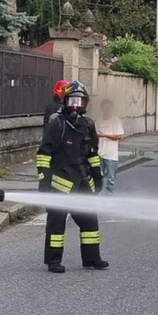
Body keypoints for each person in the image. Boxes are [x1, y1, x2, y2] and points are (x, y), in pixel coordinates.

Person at [35, 81, 109, 273]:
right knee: (56, 225)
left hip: (83, 183)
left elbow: (92, 153)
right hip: (60, 184)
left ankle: (92, 258)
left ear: (85, 103)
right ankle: (53, 261)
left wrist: (97, 175)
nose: (76, 105)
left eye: (80, 101)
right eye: (72, 100)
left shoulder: (88, 125)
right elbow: (44, 154)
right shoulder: (57, 124)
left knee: (90, 222)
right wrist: (44, 181)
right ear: (65, 101)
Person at [96, 99, 125, 195]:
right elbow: (95, 134)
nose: (107, 109)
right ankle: (98, 194)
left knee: (110, 178)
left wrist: (104, 135)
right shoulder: (98, 120)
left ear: (112, 108)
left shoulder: (115, 120)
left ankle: (109, 197)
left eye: (109, 106)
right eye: (105, 106)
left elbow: (118, 136)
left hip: (111, 155)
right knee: (97, 176)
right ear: (102, 108)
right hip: (100, 153)